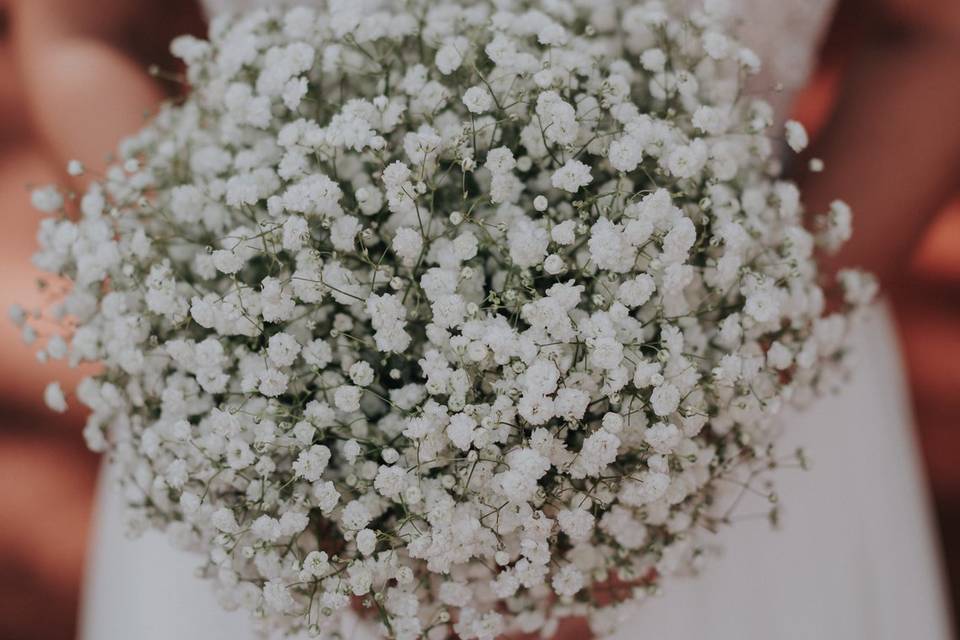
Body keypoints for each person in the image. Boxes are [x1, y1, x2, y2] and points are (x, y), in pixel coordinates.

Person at [9, 0, 957, 637]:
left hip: (729, 407)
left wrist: (724, 376)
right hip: (282, 461)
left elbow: (931, 34)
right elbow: (79, 32)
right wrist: (259, 346)